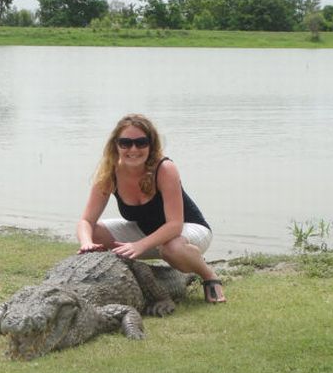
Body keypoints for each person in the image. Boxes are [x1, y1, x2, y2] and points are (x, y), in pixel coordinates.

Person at [77, 113, 226, 303]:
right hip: (147, 233)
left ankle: (208, 275)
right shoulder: (109, 172)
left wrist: (140, 245)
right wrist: (86, 243)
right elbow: (86, 221)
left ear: (151, 145)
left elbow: (175, 225)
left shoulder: (165, 168)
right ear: (116, 144)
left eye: (141, 142)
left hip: (189, 229)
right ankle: (121, 279)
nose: (133, 149)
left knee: (171, 248)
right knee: (95, 233)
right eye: (125, 143)